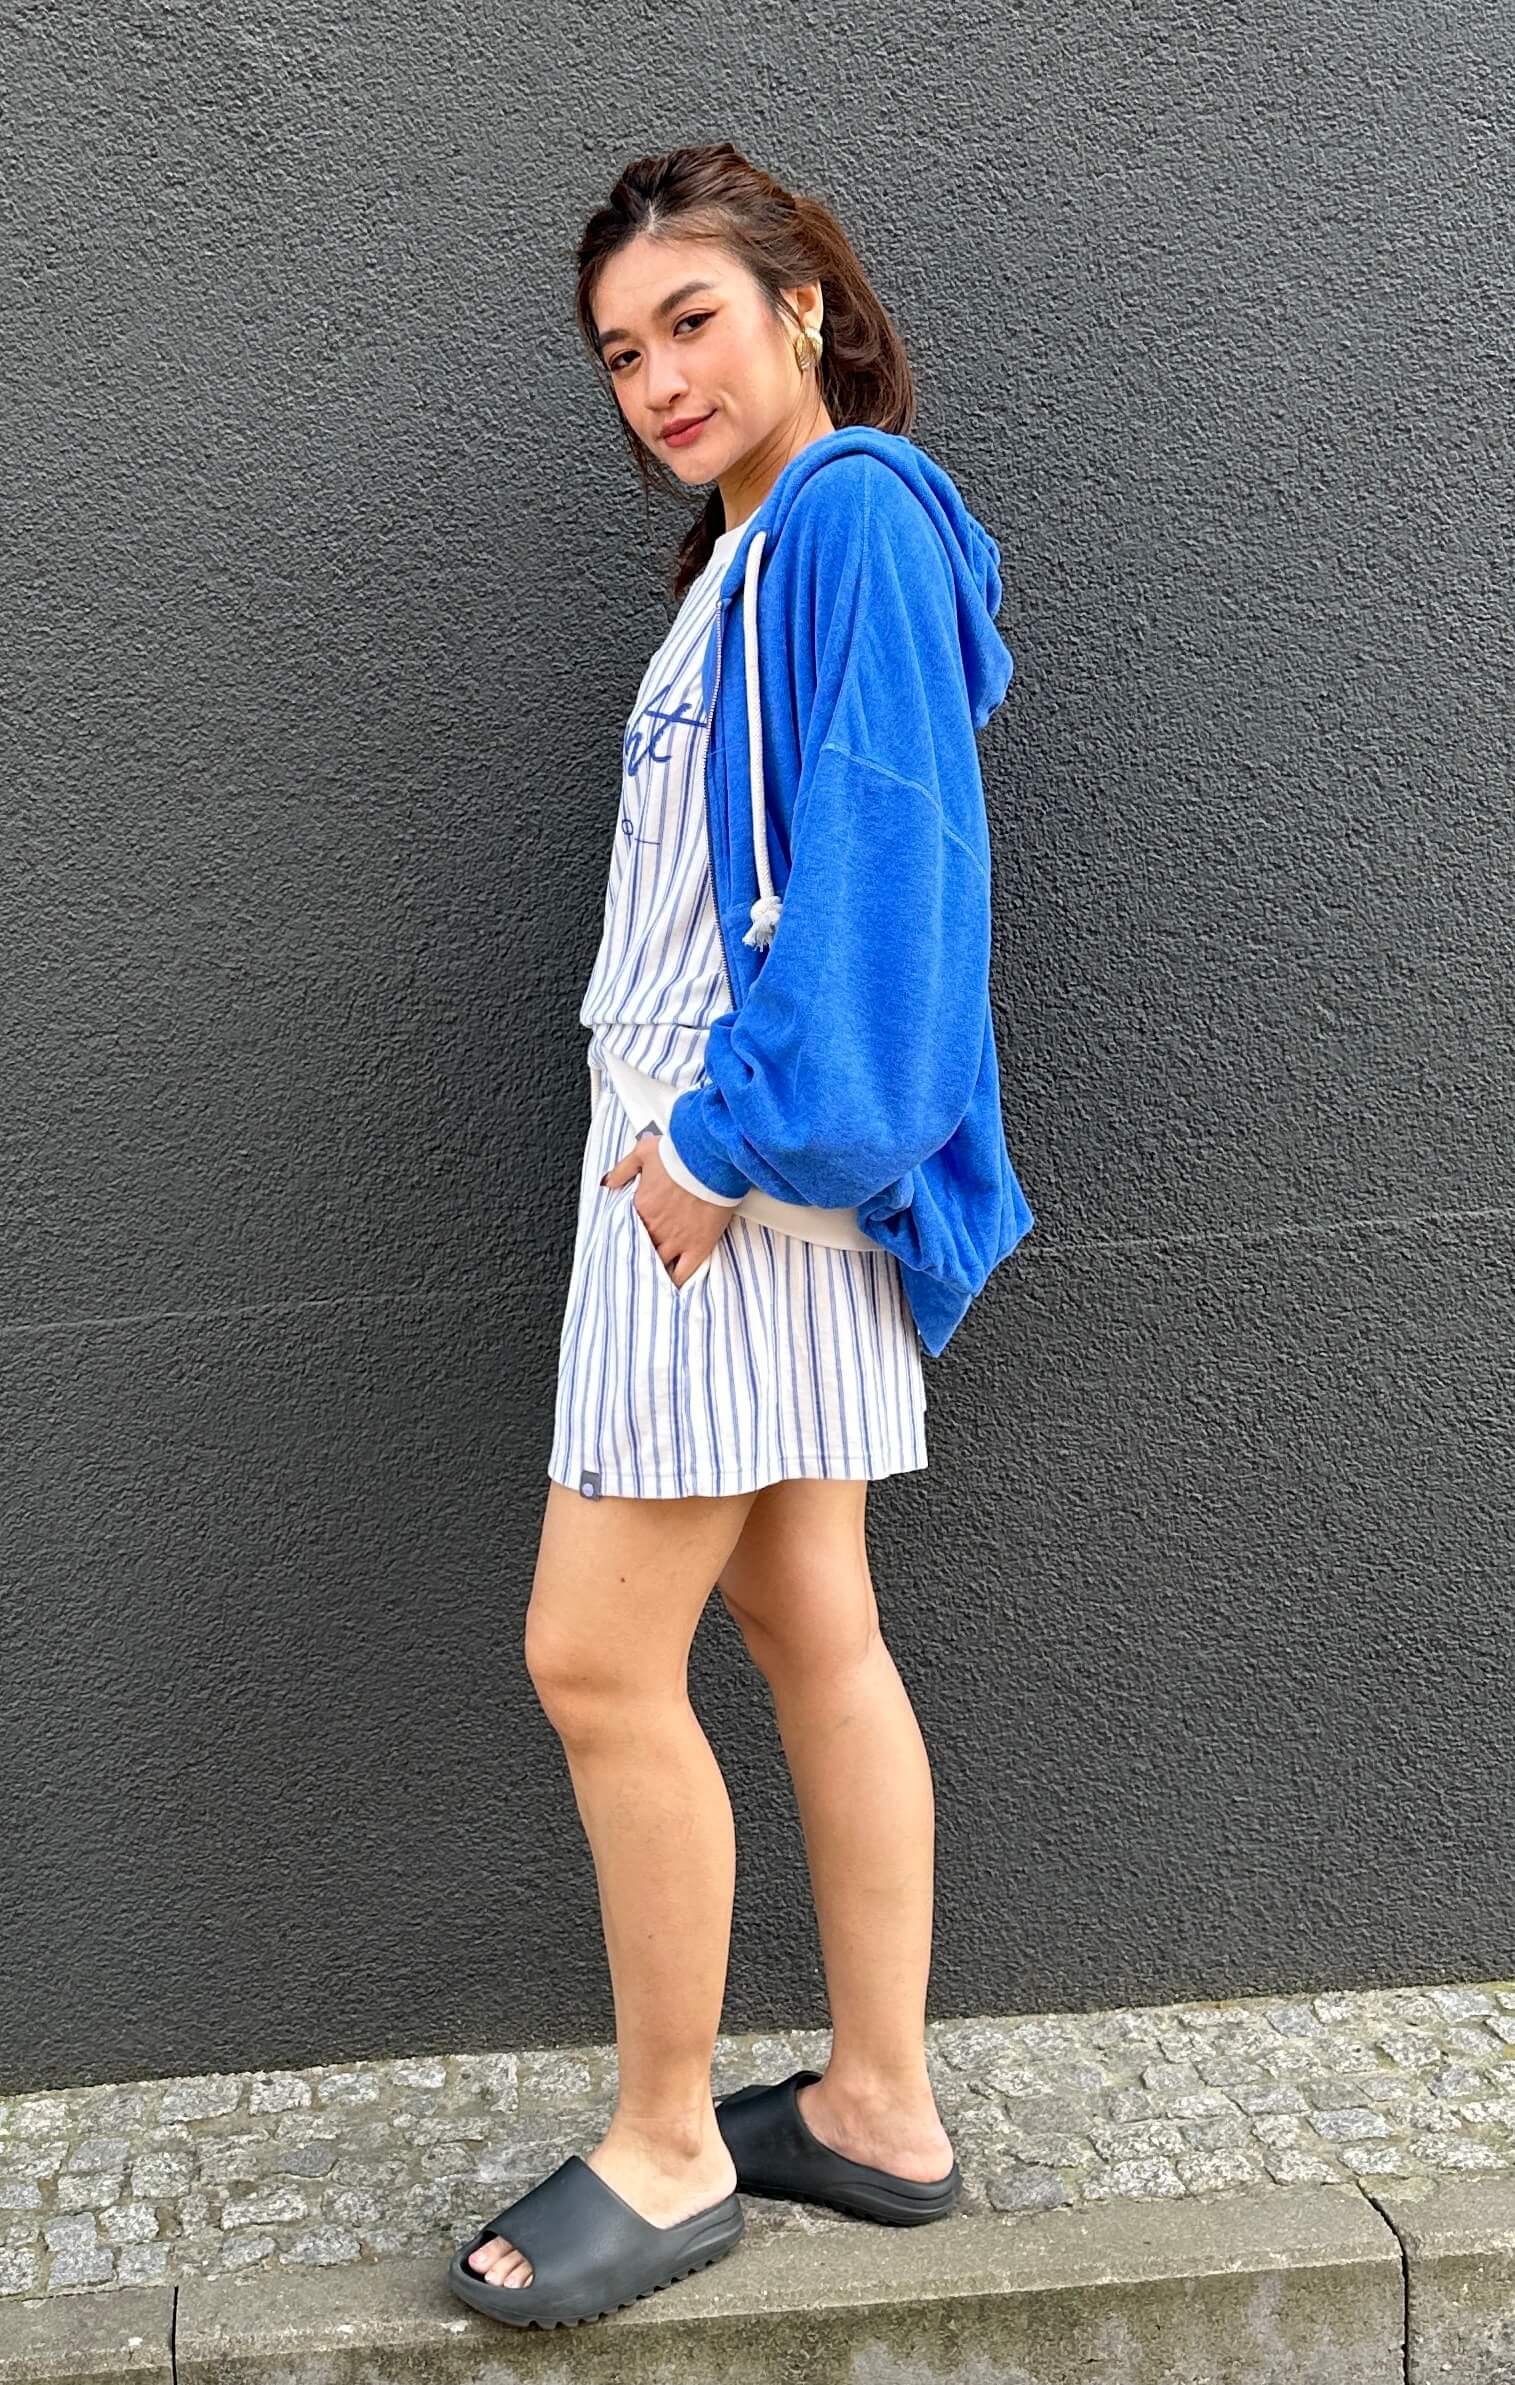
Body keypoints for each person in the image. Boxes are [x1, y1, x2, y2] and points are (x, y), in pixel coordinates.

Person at [448, 141, 1035, 2331]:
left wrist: (719, 1144)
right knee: (810, 1620)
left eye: (690, 320)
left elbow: (891, 867)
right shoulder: (754, 548)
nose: (658, 379)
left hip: (726, 1182)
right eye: (621, 353)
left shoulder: (848, 514)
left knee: (594, 1658)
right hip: (741, 1180)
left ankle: (670, 2139)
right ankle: (878, 2105)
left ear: (804, 306)